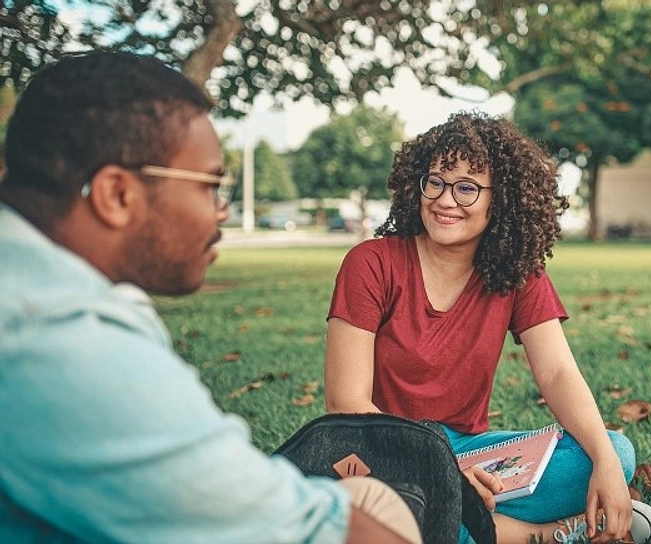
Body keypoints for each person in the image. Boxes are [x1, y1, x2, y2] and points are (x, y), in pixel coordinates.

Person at [0, 51, 420, 544]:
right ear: (117, 194)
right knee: (383, 511)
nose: (220, 211)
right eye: (210, 186)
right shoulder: (61, 340)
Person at [324, 111, 651, 544]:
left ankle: (455, 523)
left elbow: (557, 372)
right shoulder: (371, 264)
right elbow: (345, 403)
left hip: (469, 452)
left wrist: (605, 464)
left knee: (614, 450)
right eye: (436, 181)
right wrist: (444, 474)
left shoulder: (518, 273)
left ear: (500, 199)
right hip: (382, 453)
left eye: (467, 188)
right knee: (387, 509)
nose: (446, 200)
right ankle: (546, 535)